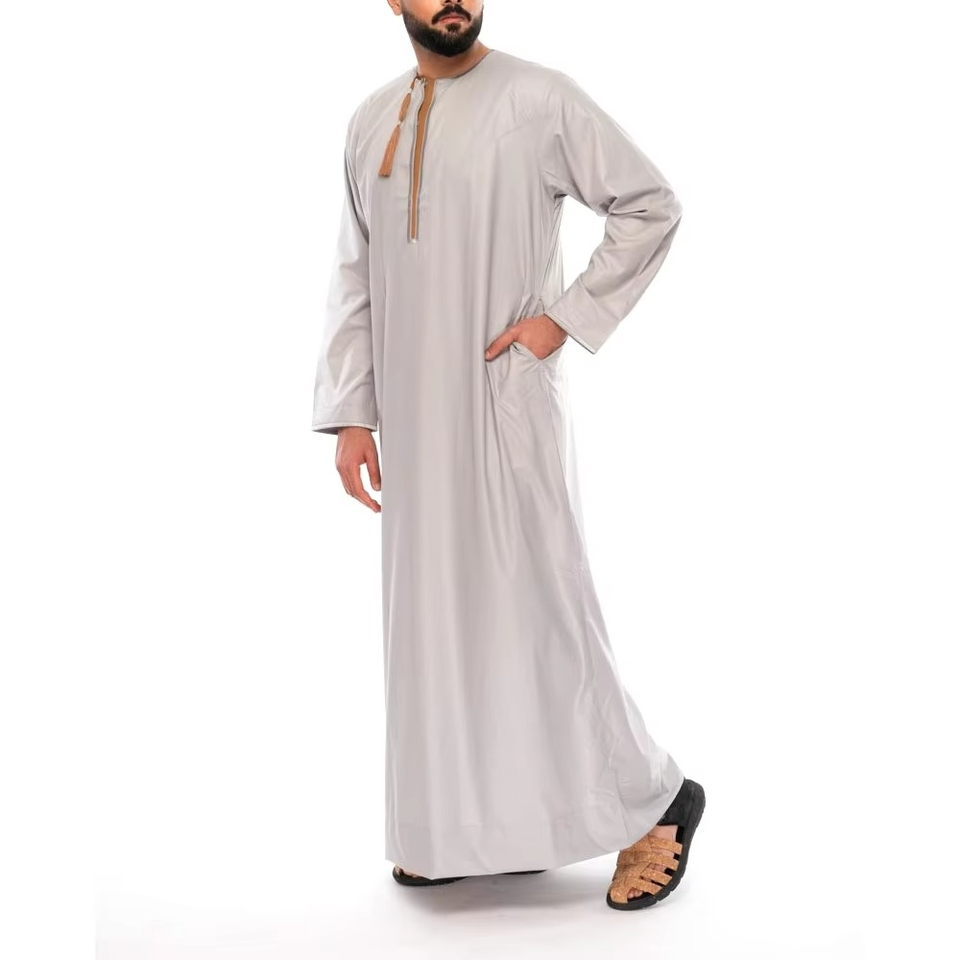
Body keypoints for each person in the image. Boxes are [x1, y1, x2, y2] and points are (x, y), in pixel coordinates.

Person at [312, 1, 705, 910]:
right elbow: (354, 272)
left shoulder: (541, 98)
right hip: (412, 419)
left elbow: (649, 205)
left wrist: (562, 319)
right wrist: (352, 412)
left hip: (502, 402)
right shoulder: (371, 118)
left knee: (542, 607)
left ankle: (656, 801)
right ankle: (461, 829)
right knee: (438, 624)